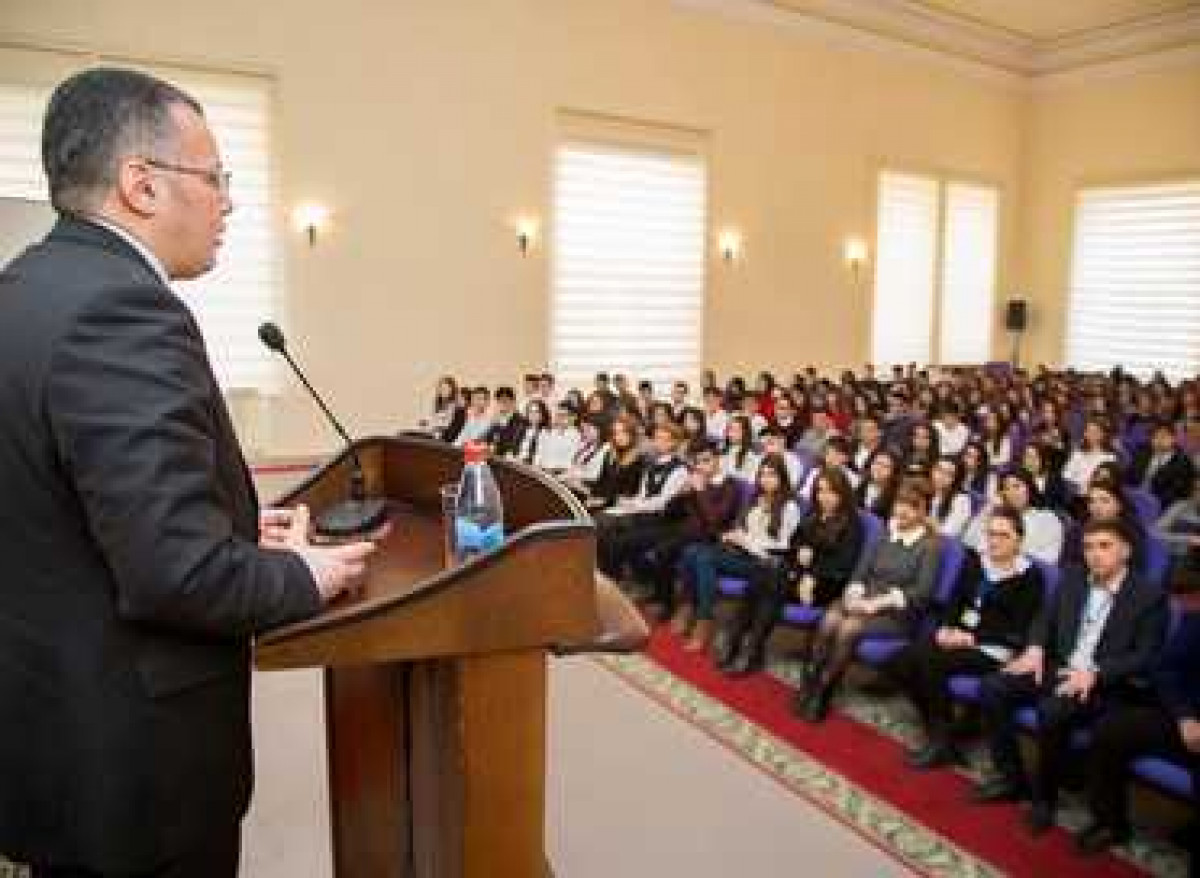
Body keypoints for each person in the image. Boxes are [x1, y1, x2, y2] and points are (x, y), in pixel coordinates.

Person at [0, 68, 381, 877]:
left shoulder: (26, 288)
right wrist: (305, 576)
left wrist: (237, 526)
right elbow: (177, 573)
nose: (229, 201)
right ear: (141, 184)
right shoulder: (122, 311)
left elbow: (63, 505)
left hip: (50, 723)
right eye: (215, 178)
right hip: (132, 763)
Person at [971, 520, 1169, 838]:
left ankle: (1044, 799)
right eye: (1089, 547)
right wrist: (1035, 648)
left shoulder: (1148, 596)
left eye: (1105, 546)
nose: (1095, 555)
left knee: (1052, 711)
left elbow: (1145, 655)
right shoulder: (1073, 578)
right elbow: (1045, 619)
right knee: (993, 687)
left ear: (1126, 551)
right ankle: (1011, 779)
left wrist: (1096, 673)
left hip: (1103, 682)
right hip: (1059, 666)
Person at [883, 508, 1043, 770]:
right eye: (991, 534)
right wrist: (946, 626)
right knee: (898, 661)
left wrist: (971, 637)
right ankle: (940, 729)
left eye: (1003, 536)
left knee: (929, 661)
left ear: (1018, 540)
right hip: (959, 637)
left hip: (994, 648)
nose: (995, 541)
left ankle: (940, 740)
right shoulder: (976, 561)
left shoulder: (1029, 576)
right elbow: (955, 601)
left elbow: (1017, 630)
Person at [798, 479, 939, 723]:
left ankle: (824, 689)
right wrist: (854, 592)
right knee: (830, 619)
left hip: (895, 613)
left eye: (912, 506)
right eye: (900, 504)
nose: (903, 511)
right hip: (863, 598)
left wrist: (877, 604)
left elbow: (921, 592)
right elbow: (861, 569)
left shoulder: (931, 546)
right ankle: (809, 680)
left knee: (848, 627)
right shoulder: (886, 531)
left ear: (924, 511)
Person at [717, 466, 864, 676]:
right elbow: (793, 546)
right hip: (798, 577)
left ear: (842, 493)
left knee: (771, 580)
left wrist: (811, 574)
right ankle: (742, 644)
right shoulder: (813, 516)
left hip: (826, 584)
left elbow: (843, 566)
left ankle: (748, 649)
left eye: (831, 492)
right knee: (766, 575)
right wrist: (800, 558)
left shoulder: (852, 524)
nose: (825, 497)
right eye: (820, 491)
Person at [1081, 611, 1199, 865]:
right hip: (1183, 716)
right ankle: (1110, 823)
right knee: (1110, 730)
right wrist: (1185, 715)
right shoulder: (1196, 618)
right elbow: (1165, 668)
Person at [675, 454, 799, 653]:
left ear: (782, 478)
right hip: (742, 552)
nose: (766, 479)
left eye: (772, 475)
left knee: (704, 557)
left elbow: (782, 546)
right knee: (692, 551)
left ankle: (703, 622)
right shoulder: (756, 499)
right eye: (763, 474)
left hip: (762, 564)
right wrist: (735, 535)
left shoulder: (789, 506)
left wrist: (746, 541)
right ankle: (688, 607)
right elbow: (745, 528)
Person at [1127, 419, 1195, 513]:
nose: (1158, 440)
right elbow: (1129, 476)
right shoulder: (1142, 454)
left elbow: (1177, 492)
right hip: (1133, 499)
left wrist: (1149, 500)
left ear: (1174, 438)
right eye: (1155, 437)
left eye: (1163, 436)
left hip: (1162, 505)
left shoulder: (1183, 462)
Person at [929, 455, 973, 538]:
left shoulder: (962, 500)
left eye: (949, 474)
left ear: (956, 479)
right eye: (939, 470)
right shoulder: (925, 490)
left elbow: (948, 533)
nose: (941, 476)